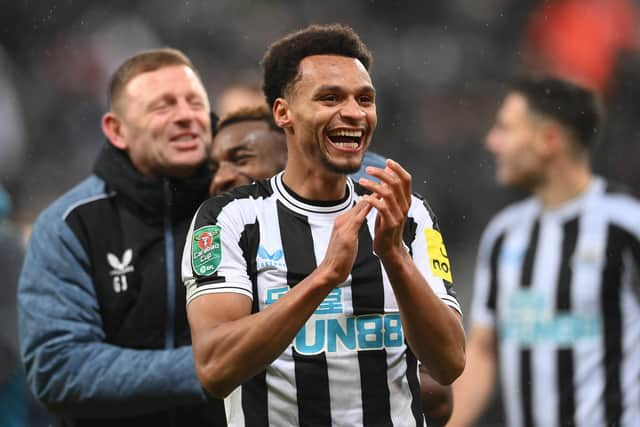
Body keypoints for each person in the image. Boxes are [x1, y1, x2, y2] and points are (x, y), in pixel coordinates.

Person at [183, 23, 465, 426]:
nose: (353, 112)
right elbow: (215, 369)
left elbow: (450, 363)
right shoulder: (229, 218)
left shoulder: (407, 214)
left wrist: (394, 256)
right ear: (283, 113)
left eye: (364, 99)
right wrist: (325, 277)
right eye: (329, 97)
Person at [208, 105, 455, 425]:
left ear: (292, 155)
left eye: (241, 159)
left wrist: (351, 384)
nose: (219, 178)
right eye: (213, 167)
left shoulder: (385, 211)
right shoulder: (223, 229)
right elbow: (215, 368)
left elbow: (442, 387)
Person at [18, 48, 225, 426]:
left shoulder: (241, 206)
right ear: (116, 130)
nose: (185, 116)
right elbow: (59, 370)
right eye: (162, 107)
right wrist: (215, 366)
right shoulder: (69, 225)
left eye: (194, 102)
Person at [448, 77, 640, 427]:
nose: (493, 142)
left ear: (549, 139)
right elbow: (484, 351)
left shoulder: (627, 226)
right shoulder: (504, 234)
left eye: (505, 128)